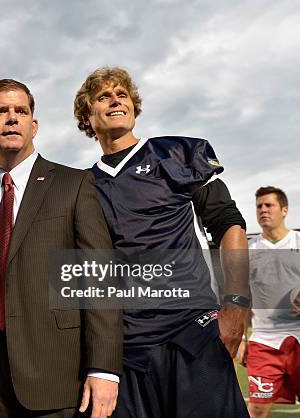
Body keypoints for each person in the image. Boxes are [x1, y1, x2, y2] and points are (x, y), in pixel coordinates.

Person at [73, 66, 251, 418]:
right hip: (124, 351)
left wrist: (236, 303)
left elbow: (228, 223)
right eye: (103, 96)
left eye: (122, 94)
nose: (115, 100)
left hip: (190, 334)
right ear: (87, 115)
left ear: (134, 107)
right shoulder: (81, 185)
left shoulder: (176, 154)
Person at [0, 79, 123, 418]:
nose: (11, 118)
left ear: (33, 125)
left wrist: (104, 369)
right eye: (0, 112)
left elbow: (100, 280)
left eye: (21, 111)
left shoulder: (73, 184)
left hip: (58, 377)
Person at [237, 186, 300, 418]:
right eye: (259, 206)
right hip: (264, 341)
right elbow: (242, 298)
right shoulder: (249, 250)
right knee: (256, 409)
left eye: (269, 205)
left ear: (284, 210)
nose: (263, 210)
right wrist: (241, 340)